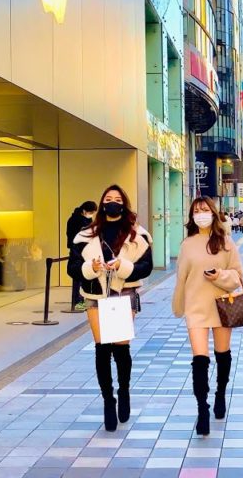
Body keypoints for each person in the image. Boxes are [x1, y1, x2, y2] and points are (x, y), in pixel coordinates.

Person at [68, 185, 152, 432]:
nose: (112, 202)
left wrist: (123, 266)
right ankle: (108, 400)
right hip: (95, 295)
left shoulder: (138, 235)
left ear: (124, 204)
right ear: (101, 203)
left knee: (121, 347)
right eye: (108, 198)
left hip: (124, 293)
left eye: (117, 199)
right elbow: (72, 269)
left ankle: (124, 391)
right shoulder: (85, 235)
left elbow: (146, 267)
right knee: (102, 347)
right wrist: (91, 268)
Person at [172, 196, 243, 436]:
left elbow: (238, 276)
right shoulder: (187, 244)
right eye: (196, 210)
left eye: (204, 209)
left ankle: (220, 394)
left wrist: (219, 276)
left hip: (222, 305)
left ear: (213, 212)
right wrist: (178, 305)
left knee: (222, 355)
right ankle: (202, 408)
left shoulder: (226, 241)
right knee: (199, 359)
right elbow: (181, 278)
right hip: (196, 307)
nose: (200, 214)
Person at [66, 201, 98, 311]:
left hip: (87, 249)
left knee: (86, 273)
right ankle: (77, 300)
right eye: (91, 212)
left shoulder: (87, 219)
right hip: (77, 249)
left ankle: (83, 297)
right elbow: (72, 236)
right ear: (84, 210)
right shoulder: (75, 220)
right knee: (78, 274)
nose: (92, 214)